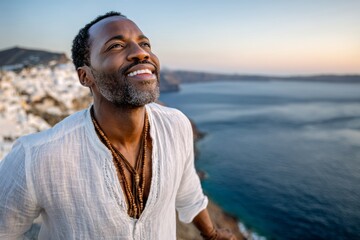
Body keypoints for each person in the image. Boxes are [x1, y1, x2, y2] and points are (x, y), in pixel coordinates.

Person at [0, 11, 237, 240]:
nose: (140, 53)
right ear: (85, 76)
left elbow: (188, 193)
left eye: (145, 44)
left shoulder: (176, 125)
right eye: (116, 46)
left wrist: (212, 234)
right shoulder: (35, 157)